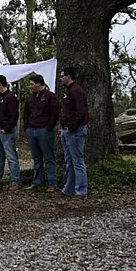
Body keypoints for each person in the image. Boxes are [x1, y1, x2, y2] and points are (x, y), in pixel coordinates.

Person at [23, 74, 59, 192]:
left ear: (39, 84)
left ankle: (52, 183)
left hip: (44, 130)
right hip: (32, 130)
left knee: (49, 157)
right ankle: (37, 181)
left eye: (32, 84)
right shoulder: (30, 98)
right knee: (37, 158)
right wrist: (27, 127)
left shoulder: (50, 97)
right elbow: (26, 113)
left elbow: (55, 113)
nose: (30, 87)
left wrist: (48, 128)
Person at [59, 67, 89, 198]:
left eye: (62, 76)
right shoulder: (68, 91)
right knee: (69, 161)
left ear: (68, 76)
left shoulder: (76, 91)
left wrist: (72, 126)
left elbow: (80, 112)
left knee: (77, 161)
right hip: (66, 130)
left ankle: (81, 190)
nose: (60, 79)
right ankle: (69, 188)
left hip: (75, 131)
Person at [0, 75, 20, 189]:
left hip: (6, 131)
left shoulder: (10, 97)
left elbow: (14, 116)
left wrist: (6, 128)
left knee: (11, 156)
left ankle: (15, 180)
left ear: (0, 83)